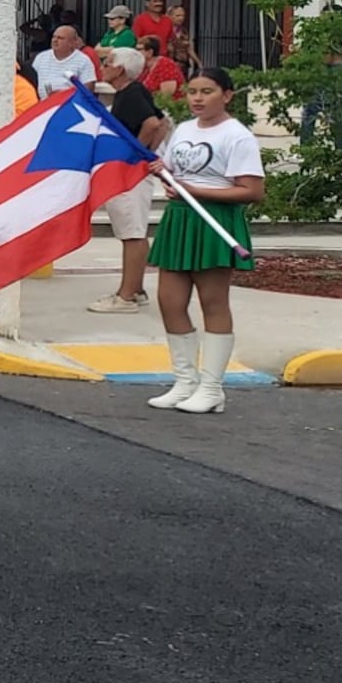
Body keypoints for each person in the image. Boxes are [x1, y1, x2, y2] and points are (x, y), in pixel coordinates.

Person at [146, 67, 265, 415]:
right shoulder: (183, 129)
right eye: (192, 91)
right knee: (169, 300)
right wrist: (161, 172)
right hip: (181, 219)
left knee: (213, 302)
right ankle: (185, 382)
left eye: (207, 91)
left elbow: (252, 191)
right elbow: (173, 171)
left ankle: (212, 387)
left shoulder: (237, 136)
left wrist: (193, 190)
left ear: (227, 95)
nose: (197, 98)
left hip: (215, 222)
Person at [90, 47, 170, 315]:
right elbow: (163, 122)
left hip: (129, 176)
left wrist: (134, 157)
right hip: (133, 172)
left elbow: (151, 124)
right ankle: (136, 289)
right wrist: (148, 154)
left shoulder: (131, 93)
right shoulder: (131, 93)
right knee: (132, 231)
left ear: (120, 69)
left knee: (132, 233)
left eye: (108, 62)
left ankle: (125, 297)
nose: (103, 66)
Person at [32, 26, 97, 98]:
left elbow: (88, 90)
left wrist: (63, 96)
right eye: (54, 37)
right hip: (42, 104)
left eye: (60, 38)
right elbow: (31, 82)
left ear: (72, 42)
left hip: (69, 104)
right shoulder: (41, 57)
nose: (55, 40)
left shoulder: (83, 60)